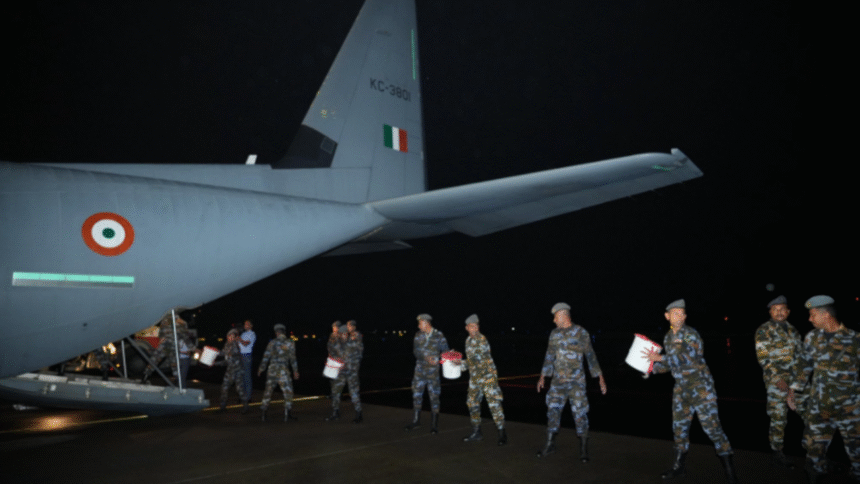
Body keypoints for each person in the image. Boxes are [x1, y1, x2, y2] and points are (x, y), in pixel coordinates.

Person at [644, 299, 736, 483]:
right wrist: (651, 370)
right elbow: (670, 364)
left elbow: (691, 355)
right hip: (681, 389)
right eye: (675, 313)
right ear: (667, 316)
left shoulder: (688, 334)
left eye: (682, 313)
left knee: (712, 428)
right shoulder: (669, 337)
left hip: (700, 387)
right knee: (679, 429)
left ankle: (730, 472)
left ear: (685, 316)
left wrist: (660, 358)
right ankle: (679, 468)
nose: (679, 316)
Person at [788, 295, 859, 483]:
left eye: (812, 315)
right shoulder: (812, 337)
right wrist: (793, 390)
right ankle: (816, 474)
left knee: (857, 450)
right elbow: (804, 365)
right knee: (813, 449)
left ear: (826, 315)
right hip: (820, 407)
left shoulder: (854, 339)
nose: (809, 319)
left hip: (850, 408)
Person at [536, 303, 606, 462]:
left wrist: (599, 376)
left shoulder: (581, 332)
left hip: (576, 383)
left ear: (563, 315)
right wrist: (543, 376)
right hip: (557, 383)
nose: (554, 320)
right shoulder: (554, 334)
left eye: (555, 316)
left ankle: (583, 449)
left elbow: (590, 355)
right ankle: (550, 445)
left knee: (580, 413)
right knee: (552, 410)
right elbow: (549, 355)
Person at [754, 295, 804, 467]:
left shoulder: (793, 330)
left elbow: (800, 357)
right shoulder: (764, 330)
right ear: (770, 312)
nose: (779, 312)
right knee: (778, 417)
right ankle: (777, 451)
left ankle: (815, 452)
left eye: (782, 309)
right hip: (776, 383)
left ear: (788, 312)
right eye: (775, 310)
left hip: (796, 382)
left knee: (809, 413)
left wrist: (797, 382)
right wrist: (777, 379)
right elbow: (763, 358)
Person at [461, 314, 507, 445]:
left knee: (494, 404)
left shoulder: (482, 340)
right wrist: (458, 364)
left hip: (488, 377)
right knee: (472, 403)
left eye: (476, 326)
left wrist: (460, 364)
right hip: (475, 378)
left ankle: (502, 433)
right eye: (472, 326)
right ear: (467, 328)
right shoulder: (468, 341)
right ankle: (477, 432)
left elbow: (475, 360)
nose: (474, 329)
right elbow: (470, 362)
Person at [405, 313, 449, 433]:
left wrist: (450, 356)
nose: (419, 326)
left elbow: (445, 351)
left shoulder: (439, 335)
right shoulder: (418, 335)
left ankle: (434, 425)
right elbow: (415, 351)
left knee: (434, 397)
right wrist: (426, 357)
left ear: (426, 323)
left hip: (433, 373)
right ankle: (416, 421)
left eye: (420, 323)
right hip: (419, 371)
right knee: (416, 395)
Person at [258, 324, 299, 422]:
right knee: (288, 391)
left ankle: (263, 414)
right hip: (283, 371)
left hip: (272, 370)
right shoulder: (290, 343)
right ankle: (286, 414)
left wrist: (261, 369)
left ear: (277, 333)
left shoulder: (272, 342)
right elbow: (293, 358)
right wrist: (295, 371)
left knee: (268, 392)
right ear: (284, 332)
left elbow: (266, 357)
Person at [326, 320, 364, 422]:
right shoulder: (337, 343)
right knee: (335, 391)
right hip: (341, 372)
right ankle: (335, 412)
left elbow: (358, 354)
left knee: (354, 392)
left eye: (345, 334)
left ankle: (358, 413)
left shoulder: (353, 343)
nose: (343, 336)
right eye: (341, 334)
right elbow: (331, 351)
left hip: (351, 372)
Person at [142, 316, 190, 384]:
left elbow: (184, 337)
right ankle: (145, 376)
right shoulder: (166, 321)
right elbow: (162, 332)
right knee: (154, 360)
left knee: (173, 364)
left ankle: (178, 382)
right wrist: (161, 338)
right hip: (166, 346)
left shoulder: (179, 322)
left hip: (171, 346)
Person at [219, 328, 248, 413]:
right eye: (229, 336)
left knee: (239, 389)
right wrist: (213, 353)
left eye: (232, 336)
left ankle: (245, 406)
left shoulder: (235, 345)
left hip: (237, 370)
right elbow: (223, 353)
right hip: (230, 370)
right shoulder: (227, 344)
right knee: (224, 387)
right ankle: (222, 407)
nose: (230, 338)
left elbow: (228, 359)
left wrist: (217, 363)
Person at [238, 319, 256, 401]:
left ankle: (248, 397)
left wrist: (239, 339)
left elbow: (245, 344)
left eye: (247, 324)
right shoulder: (243, 334)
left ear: (251, 326)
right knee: (241, 377)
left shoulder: (252, 334)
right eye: (245, 324)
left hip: (247, 356)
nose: (245, 325)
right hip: (240, 355)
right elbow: (239, 344)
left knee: (247, 376)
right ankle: (242, 396)